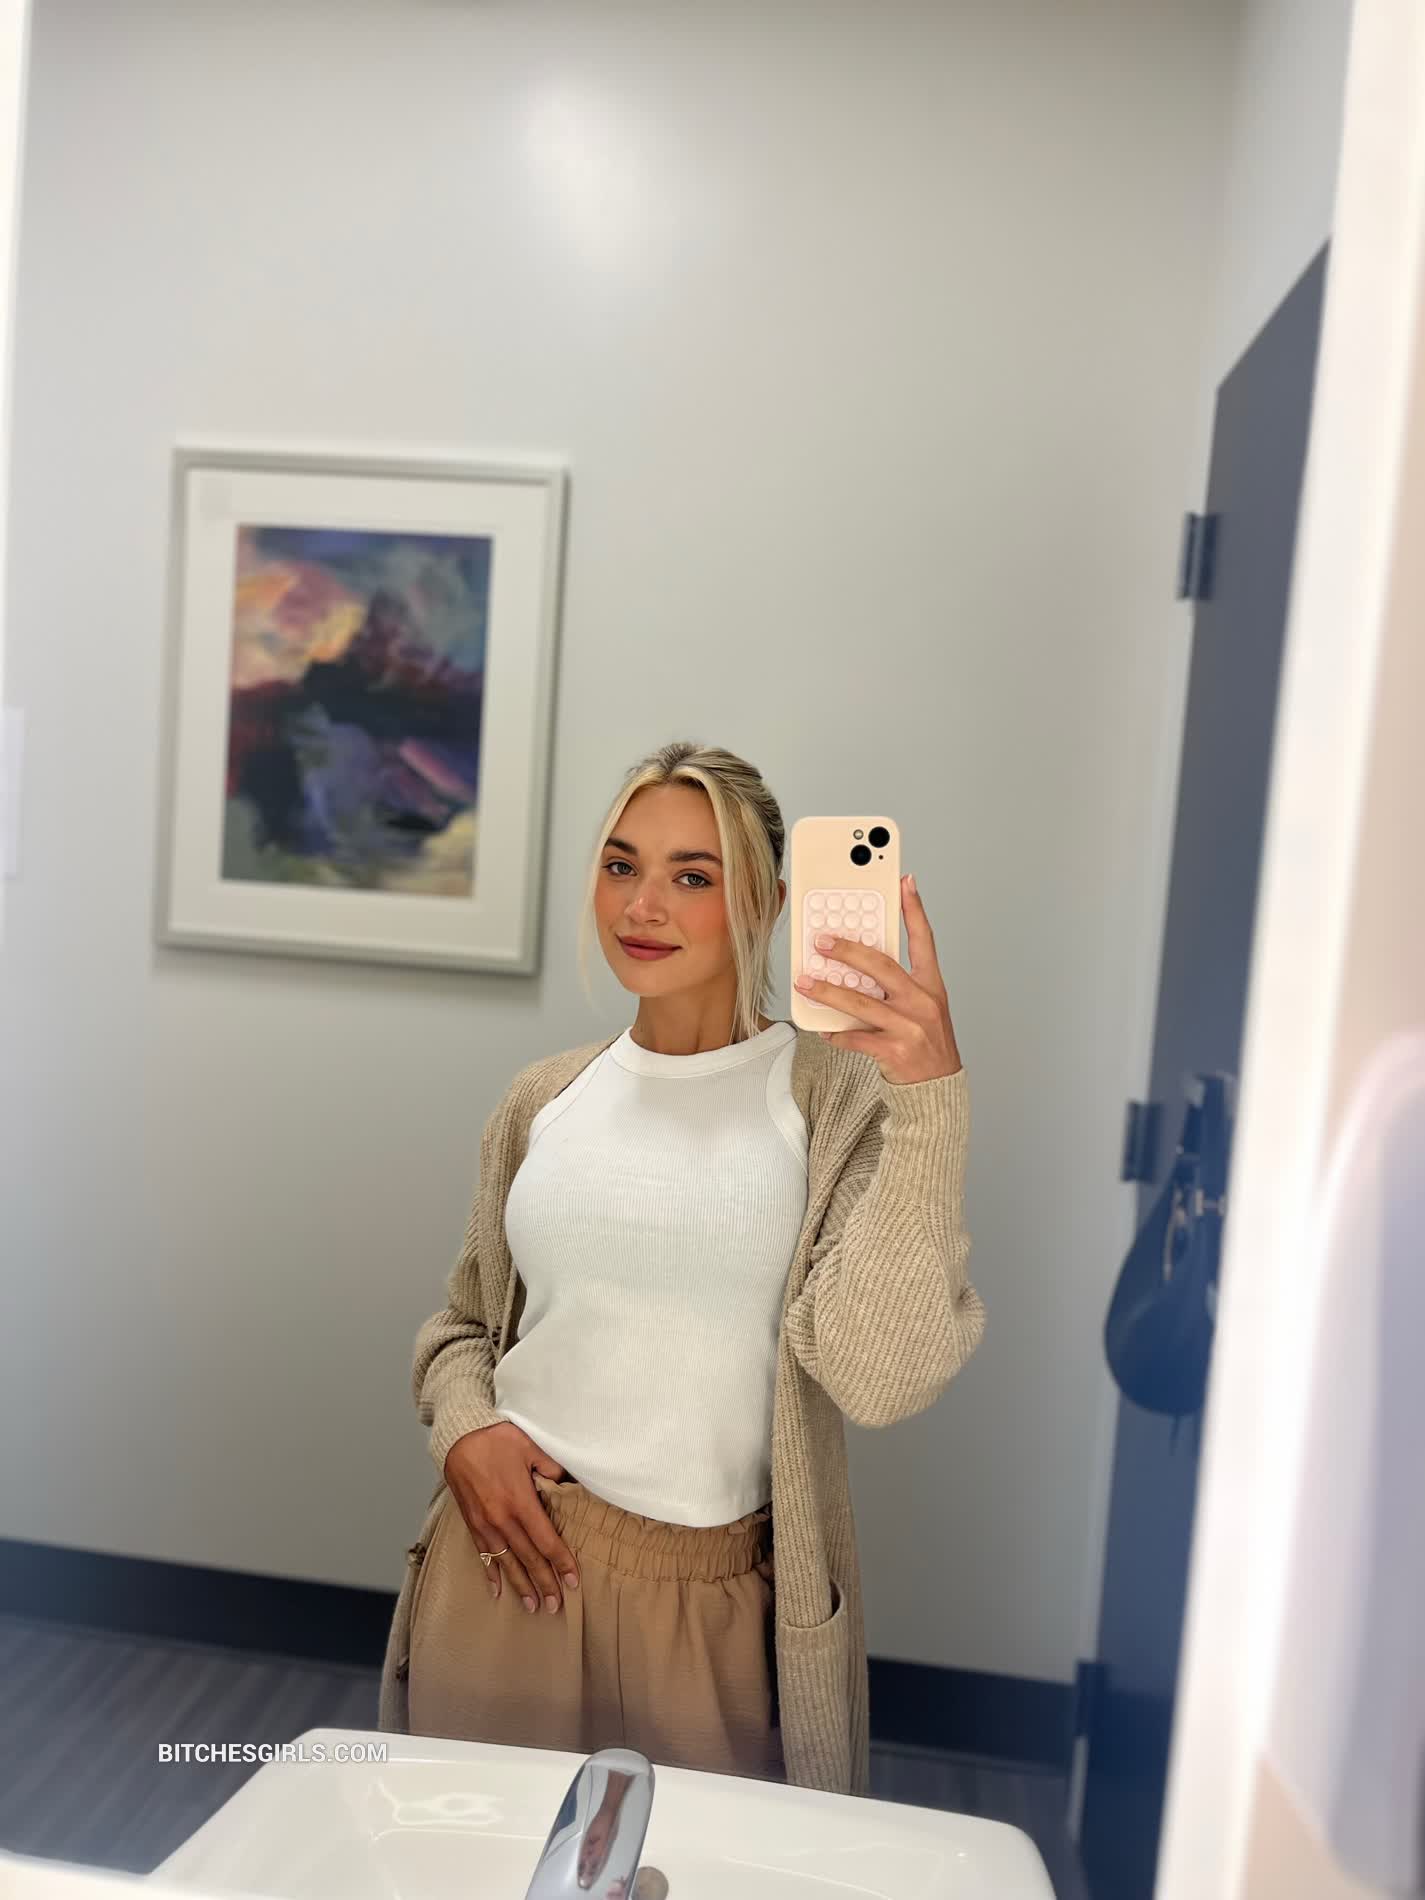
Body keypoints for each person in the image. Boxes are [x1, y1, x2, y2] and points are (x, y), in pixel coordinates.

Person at [378, 740, 985, 1795]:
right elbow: (463, 1324)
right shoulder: (544, 1098)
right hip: (508, 1570)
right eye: (621, 866)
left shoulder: (837, 1101)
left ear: (770, 902)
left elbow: (878, 1378)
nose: (642, 905)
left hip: (712, 1606)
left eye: (691, 876)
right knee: (465, 1857)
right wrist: (466, 1429)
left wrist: (929, 1103)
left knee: (705, 1865)